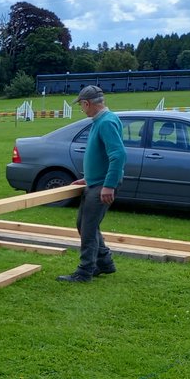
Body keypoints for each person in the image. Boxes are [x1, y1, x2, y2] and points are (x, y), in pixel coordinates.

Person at [57, 84, 126, 283]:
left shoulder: (106, 122)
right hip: (96, 181)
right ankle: (104, 263)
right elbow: (102, 155)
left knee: (88, 228)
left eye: (81, 105)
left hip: (103, 184)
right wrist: (89, 178)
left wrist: (109, 185)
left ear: (87, 103)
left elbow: (118, 155)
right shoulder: (101, 120)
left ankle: (85, 272)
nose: (81, 109)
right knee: (85, 224)